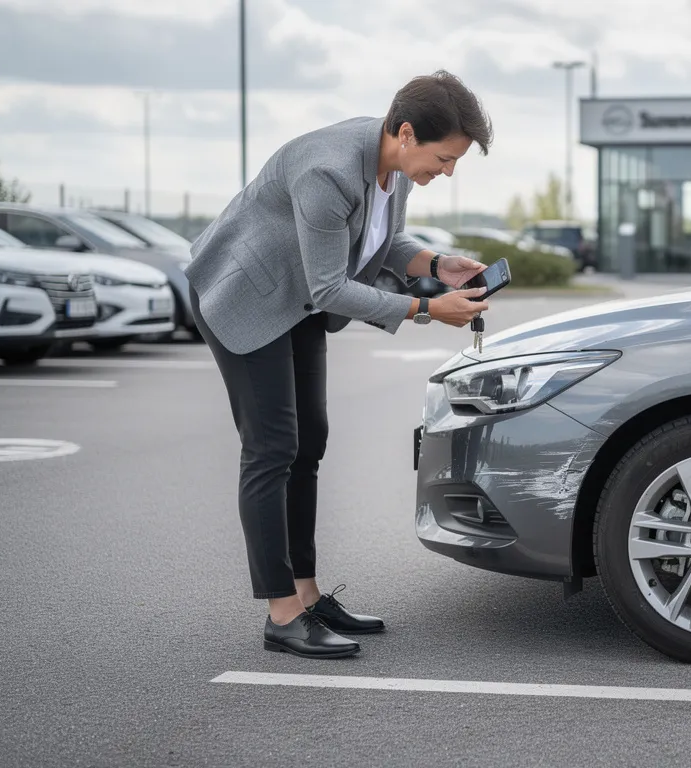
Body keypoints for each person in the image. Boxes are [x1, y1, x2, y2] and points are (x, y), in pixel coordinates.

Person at [185, 70, 494, 660]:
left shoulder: (393, 168)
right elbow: (330, 286)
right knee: (273, 446)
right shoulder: (327, 171)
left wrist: (434, 261)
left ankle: (307, 594)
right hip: (244, 297)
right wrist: (427, 306)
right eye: (445, 157)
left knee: (310, 441)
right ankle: (281, 615)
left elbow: (378, 242)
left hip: (295, 298)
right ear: (405, 132)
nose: (448, 171)